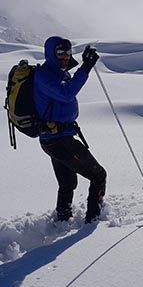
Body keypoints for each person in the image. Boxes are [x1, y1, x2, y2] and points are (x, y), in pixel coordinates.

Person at [33, 36, 106, 223]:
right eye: (60, 52)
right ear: (51, 53)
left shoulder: (57, 72)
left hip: (57, 137)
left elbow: (66, 91)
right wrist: (85, 68)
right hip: (58, 140)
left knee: (68, 183)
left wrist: (82, 64)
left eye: (68, 52)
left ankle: (62, 220)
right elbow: (66, 94)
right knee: (98, 175)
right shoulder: (45, 75)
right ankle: (93, 220)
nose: (65, 56)